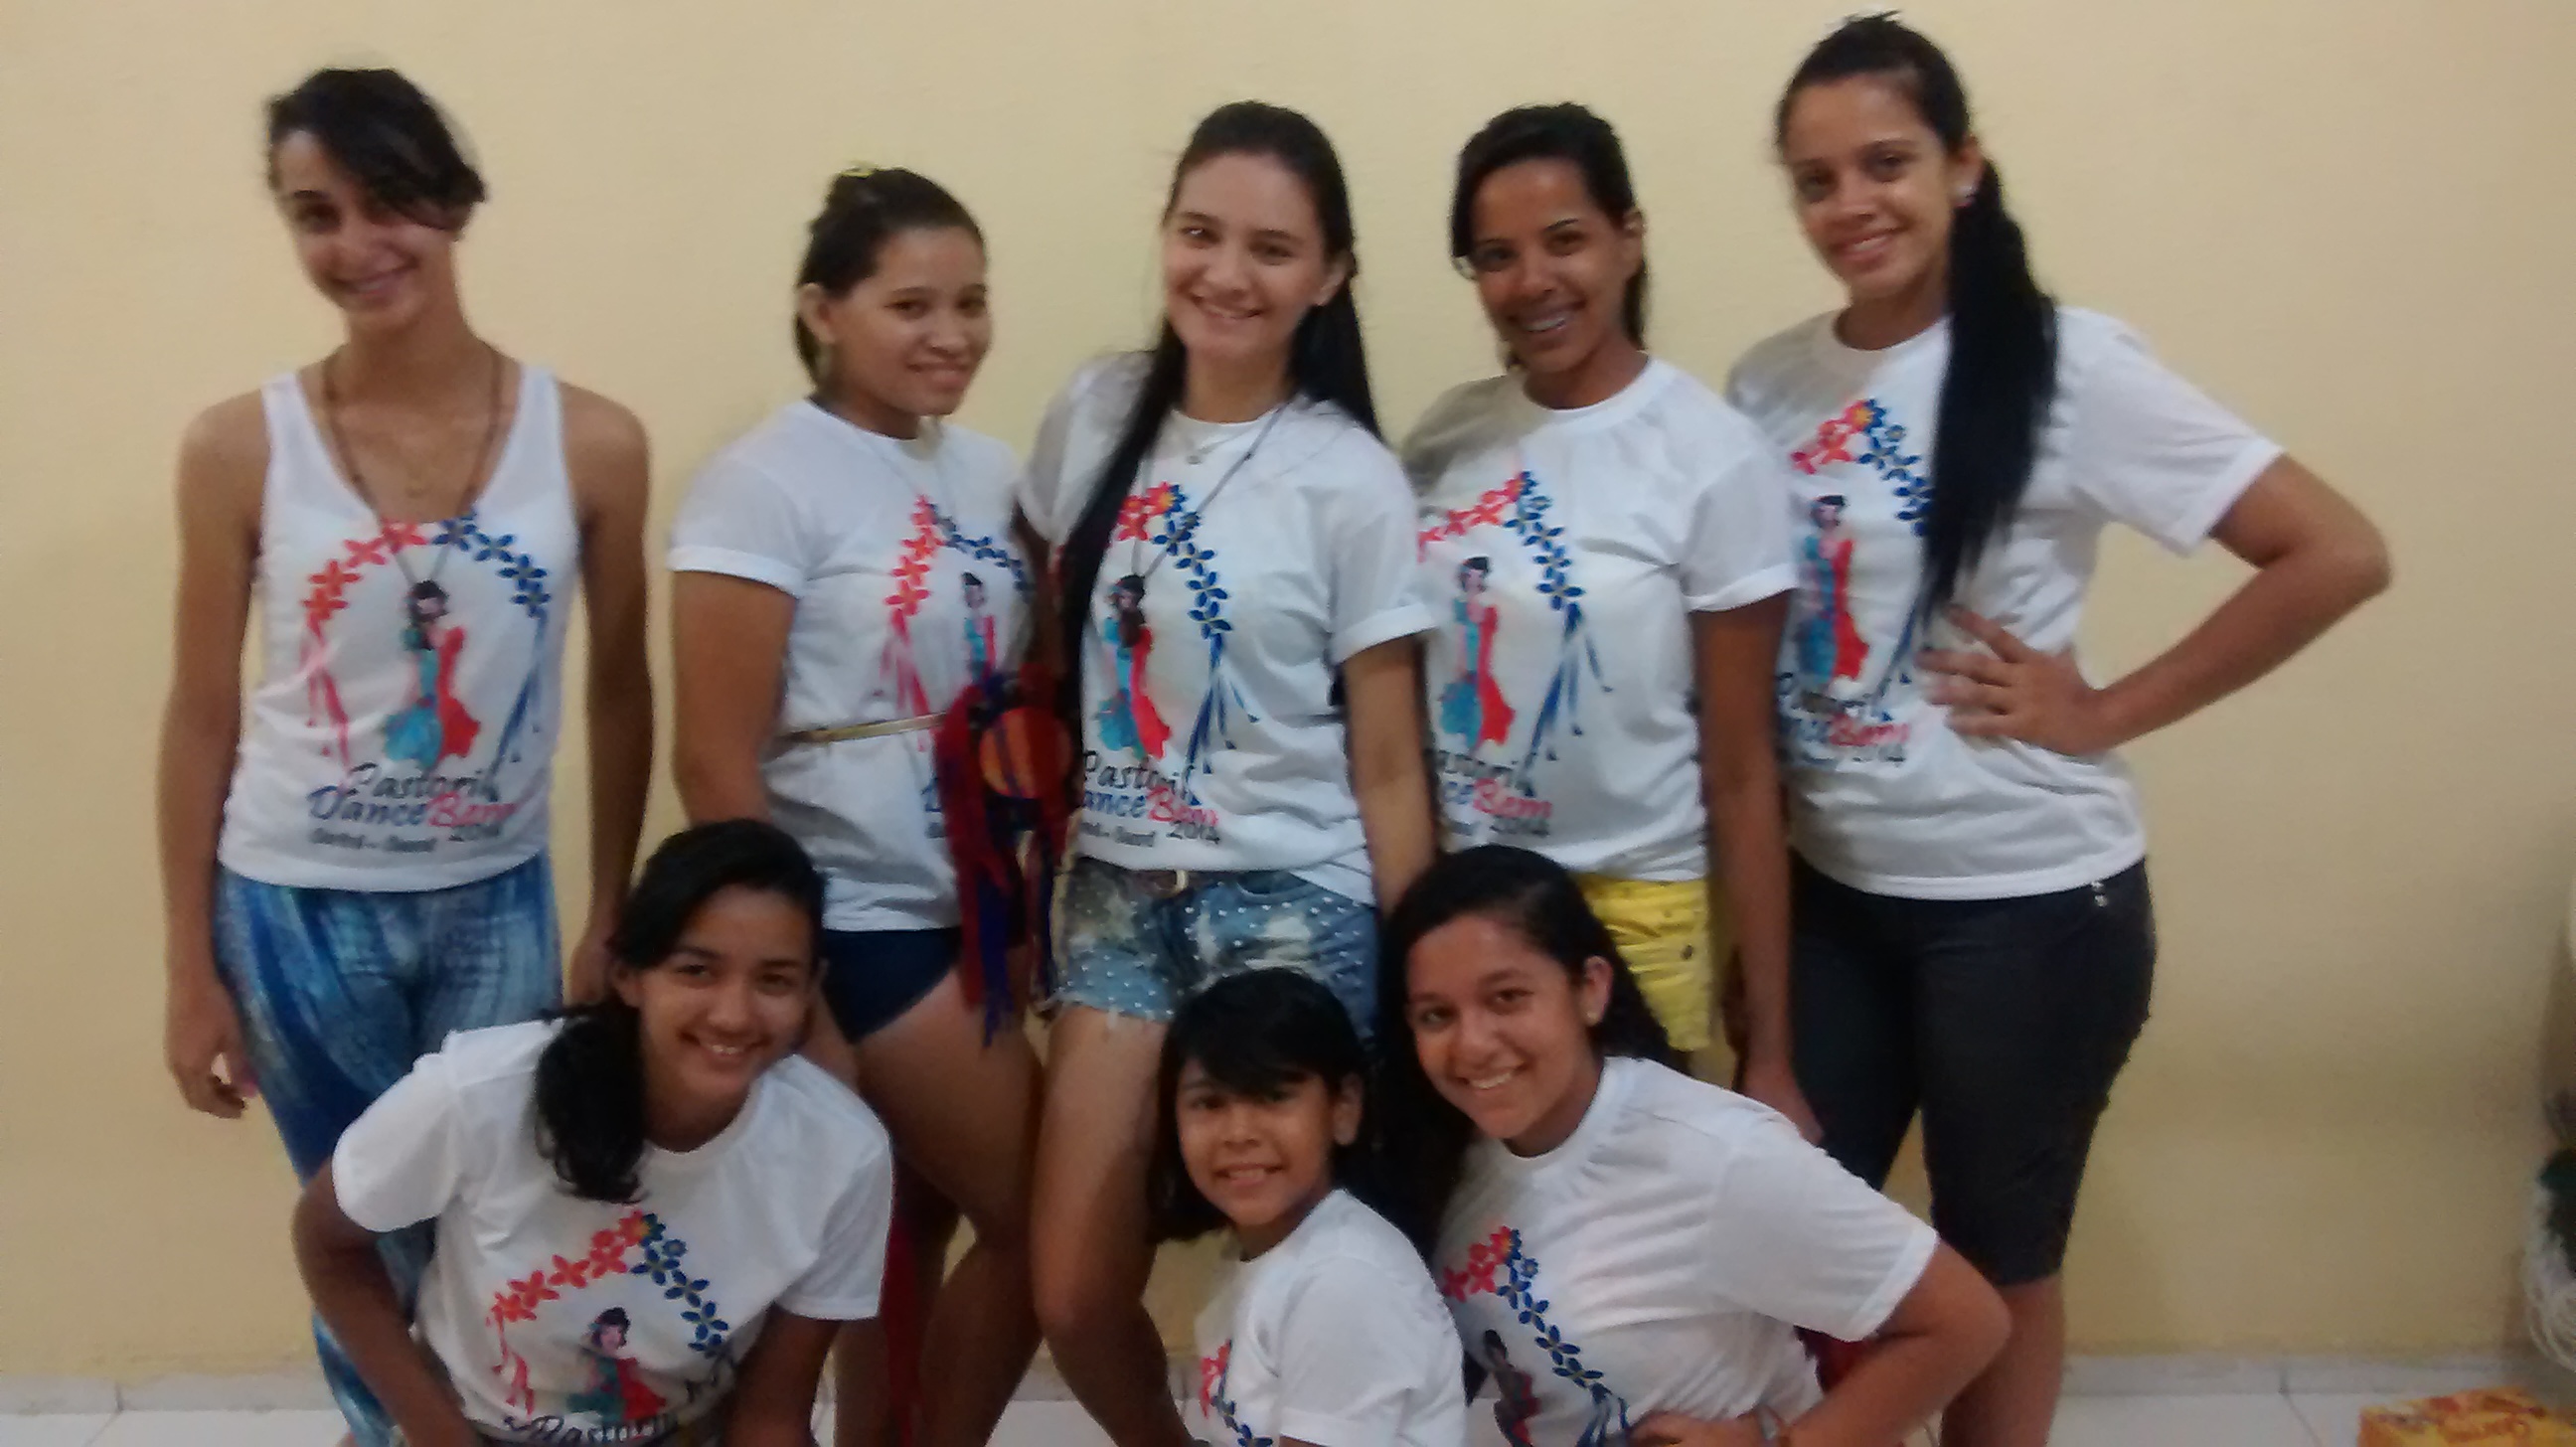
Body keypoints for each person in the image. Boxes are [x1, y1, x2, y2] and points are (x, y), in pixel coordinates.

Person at [1727, 17, 2391, 1445]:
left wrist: (2101, 709)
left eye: (1887, 163)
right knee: (1799, 1244)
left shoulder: (2066, 366)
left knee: (2001, 1258)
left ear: (1963, 166)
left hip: (2027, 905)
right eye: (1817, 180)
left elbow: (2334, 550)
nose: (1852, 205)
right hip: (1833, 897)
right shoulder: (1769, 384)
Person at [155, 67, 653, 1446]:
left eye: (389, 204)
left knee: (501, 1219)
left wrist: (610, 906)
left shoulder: (593, 443)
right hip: (293, 908)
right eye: (317, 214)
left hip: (495, 897)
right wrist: (189, 968)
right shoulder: (238, 446)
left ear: (454, 204)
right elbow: (199, 711)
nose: (357, 245)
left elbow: (621, 691)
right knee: (359, 1229)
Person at [1014, 100, 1436, 1447]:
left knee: (1306, 1282)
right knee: (1073, 1288)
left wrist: (1420, 976)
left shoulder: (1350, 477)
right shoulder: (1094, 410)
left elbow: (1388, 762)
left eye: (1271, 248)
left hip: (1293, 897)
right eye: (1200, 233)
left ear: (1330, 275)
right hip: (1116, 898)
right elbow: (1045, 645)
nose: (1227, 274)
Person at [668, 166, 1040, 1447]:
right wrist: (796, 982)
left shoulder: (993, 472)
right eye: (912, 305)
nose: (953, 334)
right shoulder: (764, 482)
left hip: (972, 907)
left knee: (904, 1225)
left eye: (972, 302)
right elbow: (714, 762)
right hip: (858, 916)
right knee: (1047, 1218)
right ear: (823, 310)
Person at [1407, 105, 1805, 1125]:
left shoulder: (1711, 455)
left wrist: (1771, 1050)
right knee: (1479, 1205)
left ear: (1629, 238)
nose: (1532, 281)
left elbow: (1744, 769)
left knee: (1633, 1205)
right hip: (1469, 903)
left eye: (1565, 240)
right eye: (1497, 256)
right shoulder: (1446, 439)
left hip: (1634, 910)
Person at [1379, 846, 2010, 1447]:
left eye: (1507, 998)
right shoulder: (1448, 1155)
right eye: (1437, 1015)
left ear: (1591, 989)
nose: (1472, 1045)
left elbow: (1965, 1320)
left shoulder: (1716, 1153)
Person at [291, 820, 893, 1447]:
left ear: (811, 990)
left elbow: (769, 1419)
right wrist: (435, 1434)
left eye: (775, 981)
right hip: (474, 1427)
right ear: (628, 974)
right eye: (696, 971)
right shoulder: (481, 1091)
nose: (733, 1015)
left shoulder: (844, 1155)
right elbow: (326, 1239)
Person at [1151, 970, 1468, 1447]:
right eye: (1210, 1103)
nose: (1239, 1133)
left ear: (1344, 1108)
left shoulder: (1342, 1277)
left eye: (1274, 1096)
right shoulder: (1265, 1256)